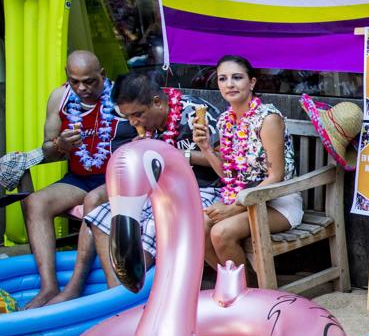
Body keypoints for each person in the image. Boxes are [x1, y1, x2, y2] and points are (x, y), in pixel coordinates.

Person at [47, 73, 221, 300]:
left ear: (157, 102)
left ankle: (140, 294)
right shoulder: (146, 124)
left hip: (203, 190)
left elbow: (224, 162)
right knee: (101, 216)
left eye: (137, 115)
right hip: (157, 190)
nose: (133, 123)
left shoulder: (195, 114)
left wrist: (176, 155)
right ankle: (116, 294)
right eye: (127, 117)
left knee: (151, 225)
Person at [21, 50, 136, 308]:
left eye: (90, 81)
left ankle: (77, 285)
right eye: (75, 81)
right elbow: (47, 149)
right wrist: (60, 144)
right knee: (35, 202)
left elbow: (143, 131)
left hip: (116, 179)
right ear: (67, 77)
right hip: (79, 177)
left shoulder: (122, 96)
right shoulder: (59, 97)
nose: (82, 88)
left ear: (102, 75)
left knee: (92, 201)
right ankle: (48, 286)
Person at [193, 55, 298, 271]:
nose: (229, 84)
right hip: (242, 199)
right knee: (198, 227)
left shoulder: (268, 119)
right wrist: (204, 147)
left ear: (252, 83)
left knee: (221, 232)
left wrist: (234, 208)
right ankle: (235, 286)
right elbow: (228, 176)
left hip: (277, 202)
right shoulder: (225, 121)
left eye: (237, 77)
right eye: (223, 79)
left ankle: (249, 291)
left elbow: (275, 176)